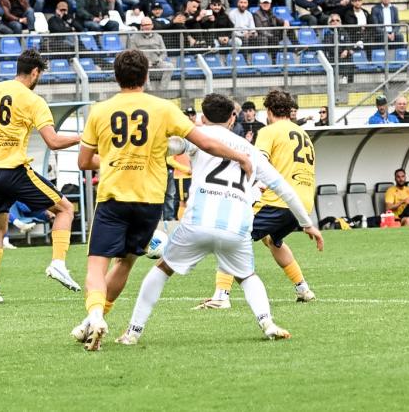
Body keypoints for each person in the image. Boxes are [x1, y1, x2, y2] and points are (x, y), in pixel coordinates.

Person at [71, 54, 258, 351]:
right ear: (146, 77)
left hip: (113, 197)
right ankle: (91, 320)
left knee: (96, 264)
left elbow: (84, 161)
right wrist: (241, 156)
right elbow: (206, 142)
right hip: (149, 201)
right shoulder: (163, 108)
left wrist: (115, 160)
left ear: (116, 78)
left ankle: (95, 316)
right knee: (125, 262)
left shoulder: (99, 111)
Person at [116, 90, 322, 347]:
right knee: (248, 276)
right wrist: (307, 224)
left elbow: (168, 147)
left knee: (163, 269)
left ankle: (133, 332)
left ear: (202, 117)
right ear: (232, 118)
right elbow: (284, 188)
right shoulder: (248, 149)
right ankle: (267, 322)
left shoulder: (197, 136)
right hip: (236, 226)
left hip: (198, 223)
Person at [0, 49, 82, 304]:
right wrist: (82, 137)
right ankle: (58, 263)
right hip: (14, 172)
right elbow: (53, 142)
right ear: (35, 72)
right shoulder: (34, 101)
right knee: (65, 209)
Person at [199, 89, 319, 310]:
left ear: (269, 111)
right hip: (303, 202)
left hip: (279, 200)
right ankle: (303, 289)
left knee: (231, 234)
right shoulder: (303, 134)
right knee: (273, 240)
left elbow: (257, 162)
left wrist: (249, 188)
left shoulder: (269, 131)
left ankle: (221, 295)